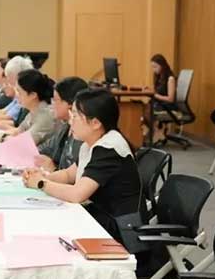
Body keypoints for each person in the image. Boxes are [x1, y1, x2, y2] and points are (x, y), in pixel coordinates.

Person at [22, 88, 142, 239]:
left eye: (75, 116)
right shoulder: (90, 144)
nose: (70, 121)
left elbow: (77, 194)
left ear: (95, 123)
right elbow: (68, 175)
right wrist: (42, 176)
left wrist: (41, 183)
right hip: (99, 217)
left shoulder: (108, 149)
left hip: (118, 229)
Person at [0, 69, 56, 145]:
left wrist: (1, 138)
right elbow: (18, 132)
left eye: (19, 92)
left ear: (33, 95)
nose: (17, 95)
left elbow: (23, 142)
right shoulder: (34, 110)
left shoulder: (45, 116)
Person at [34, 77, 89, 172]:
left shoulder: (83, 137)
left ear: (70, 104)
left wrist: (53, 169)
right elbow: (43, 149)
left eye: (55, 100)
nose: (52, 104)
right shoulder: (65, 127)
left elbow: (75, 176)